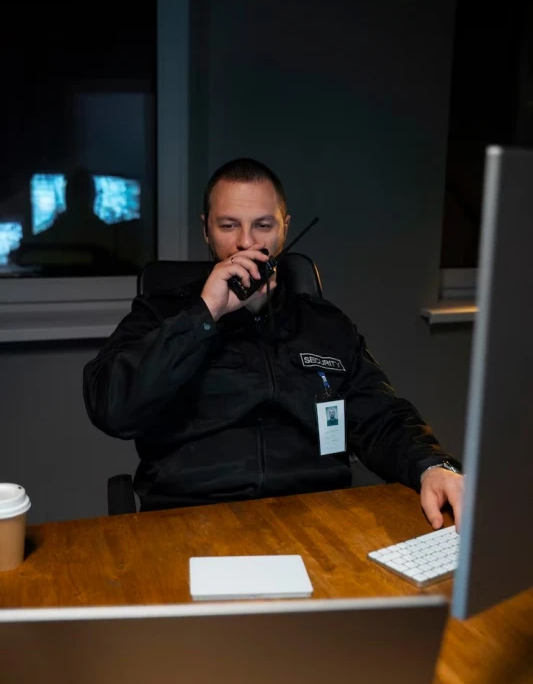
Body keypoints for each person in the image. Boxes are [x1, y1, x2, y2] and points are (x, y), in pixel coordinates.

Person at [83, 158, 464, 528]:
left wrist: (433, 465)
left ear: (285, 228)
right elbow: (112, 408)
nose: (245, 242)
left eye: (263, 225)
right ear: (206, 230)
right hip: (191, 519)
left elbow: (381, 416)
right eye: (228, 225)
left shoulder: (325, 323)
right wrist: (205, 314)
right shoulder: (161, 313)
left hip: (315, 518)